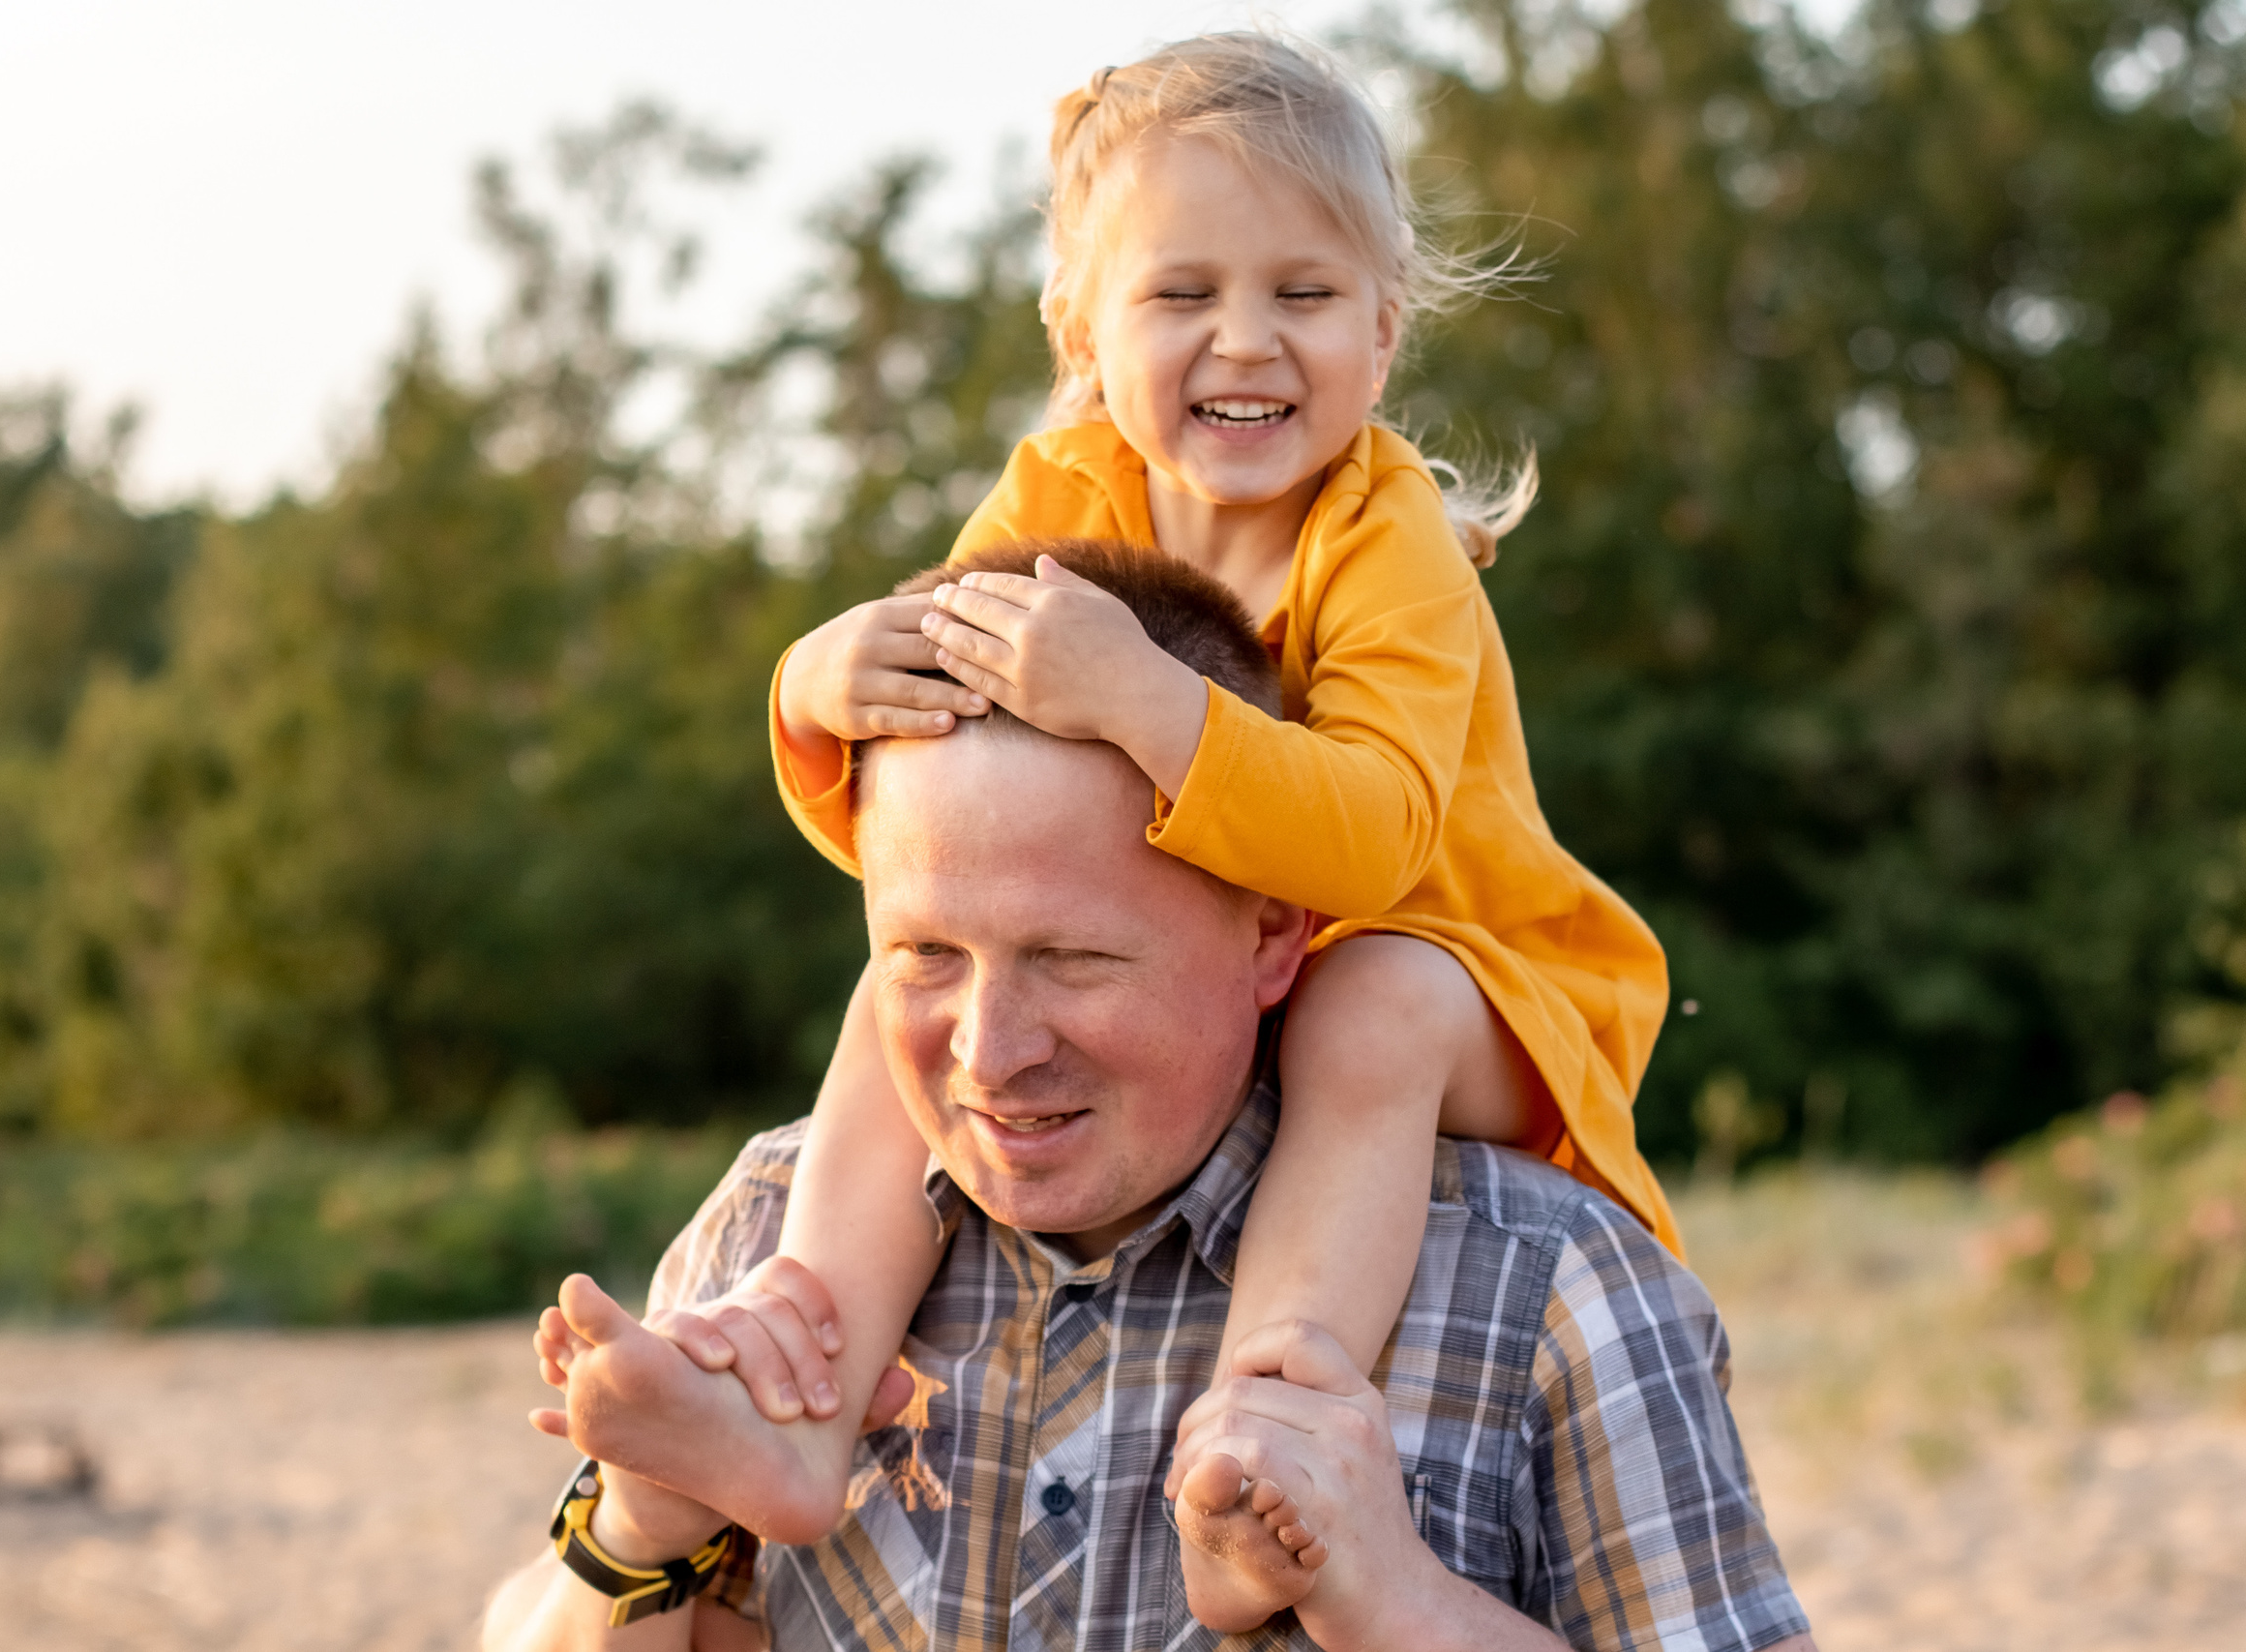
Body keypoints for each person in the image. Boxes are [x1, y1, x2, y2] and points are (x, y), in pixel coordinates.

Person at [707, 32, 1680, 1628]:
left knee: (1368, 1005)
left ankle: (1264, 1430)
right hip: (1211, 963)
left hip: (1465, 974)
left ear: (1383, 327)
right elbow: (944, 831)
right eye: (1182, 296)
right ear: (1082, 328)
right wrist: (820, 689)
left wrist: (1146, 698)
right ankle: (804, 1373)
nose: (1248, 341)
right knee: (924, 980)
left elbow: (1369, 847)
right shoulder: (1056, 487)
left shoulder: (1391, 543)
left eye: (1304, 295)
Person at [482, 542, 1813, 1651]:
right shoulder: (774, 1229)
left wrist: (1395, 1595)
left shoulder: (1552, 1285)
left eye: (1075, 961)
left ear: (1276, 935)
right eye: (925, 957)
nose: (990, 1052)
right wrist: (635, 1532)